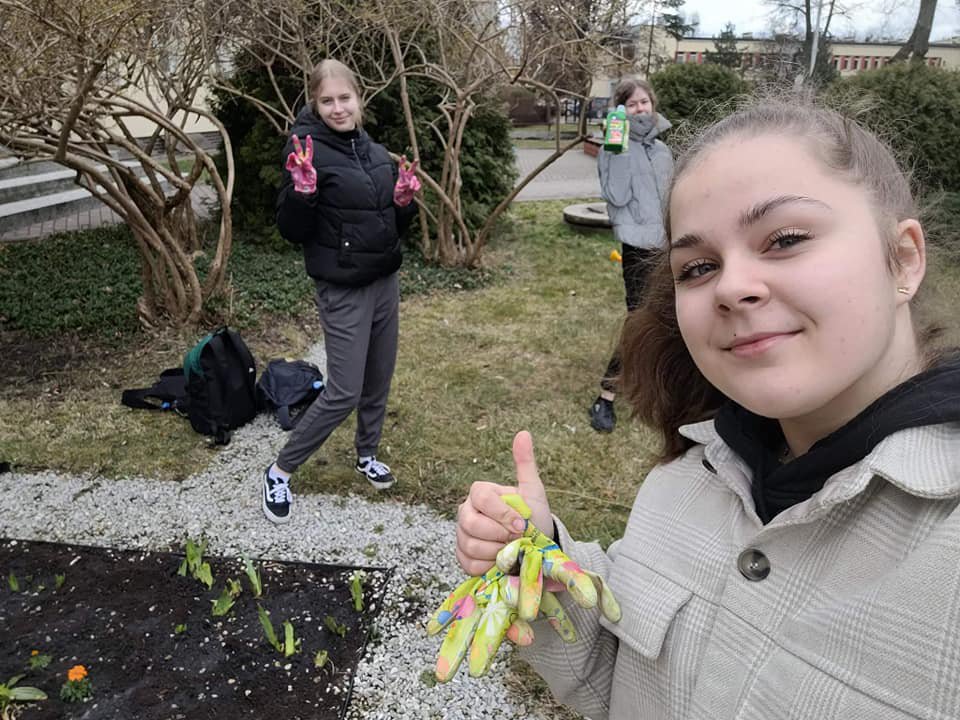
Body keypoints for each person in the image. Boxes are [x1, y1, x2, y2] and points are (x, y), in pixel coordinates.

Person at [454, 98, 960, 718]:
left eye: (785, 239)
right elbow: (620, 685)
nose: (730, 286)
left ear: (903, 258)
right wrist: (548, 567)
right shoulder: (679, 484)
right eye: (697, 267)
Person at [262, 59, 418, 524]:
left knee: (378, 377)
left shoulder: (373, 151)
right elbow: (292, 229)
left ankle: (366, 453)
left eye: (344, 98)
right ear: (315, 102)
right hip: (343, 288)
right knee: (344, 390)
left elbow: (392, 221)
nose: (337, 108)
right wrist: (302, 191)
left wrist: (405, 201)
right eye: (327, 100)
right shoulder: (306, 151)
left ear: (359, 99)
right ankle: (280, 471)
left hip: (383, 279)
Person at [589, 78, 674, 433]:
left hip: (668, 245)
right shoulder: (614, 148)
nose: (641, 109)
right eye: (632, 104)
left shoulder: (663, 151)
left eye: (644, 102)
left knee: (672, 317)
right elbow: (618, 196)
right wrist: (618, 146)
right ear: (621, 109)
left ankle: (662, 387)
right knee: (639, 320)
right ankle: (606, 396)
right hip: (638, 247)